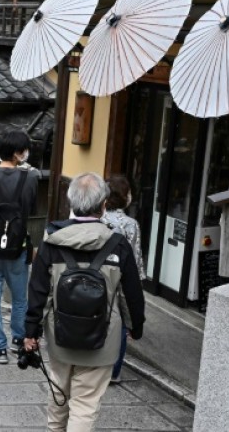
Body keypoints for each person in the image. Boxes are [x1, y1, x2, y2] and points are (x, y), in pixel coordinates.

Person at [24, 173, 146, 432]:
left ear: (71, 202)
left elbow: (38, 291)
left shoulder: (52, 243)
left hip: (60, 336)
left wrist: (30, 331)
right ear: (103, 205)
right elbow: (131, 293)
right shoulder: (118, 245)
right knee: (85, 405)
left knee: (58, 394)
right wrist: (136, 326)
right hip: (102, 339)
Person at [0, 129, 41, 364]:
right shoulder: (32, 177)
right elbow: (31, 210)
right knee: (20, 299)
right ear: (16, 153)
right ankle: (19, 340)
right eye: (24, 150)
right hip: (18, 246)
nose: (26, 153)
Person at [101, 175, 145, 384]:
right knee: (119, 325)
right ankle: (113, 371)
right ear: (125, 196)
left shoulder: (97, 218)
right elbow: (134, 260)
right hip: (120, 280)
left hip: (97, 277)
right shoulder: (130, 224)